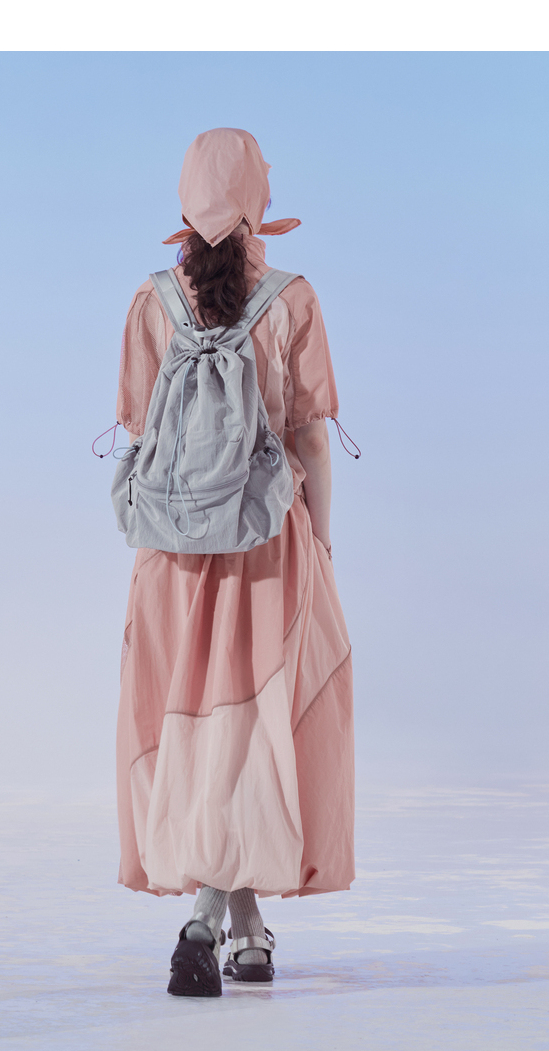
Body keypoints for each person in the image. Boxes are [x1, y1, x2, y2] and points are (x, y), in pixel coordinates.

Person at [113, 128, 354, 997]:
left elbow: (140, 430)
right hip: (267, 544)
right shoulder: (293, 298)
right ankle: (205, 922)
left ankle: (248, 932)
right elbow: (311, 438)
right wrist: (321, 539)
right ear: (258, 198)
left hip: (174, 554)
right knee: (250, 729)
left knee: (206, 728)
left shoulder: (150, 301)